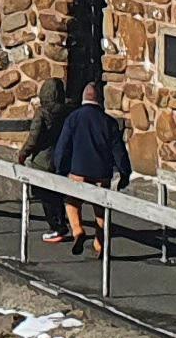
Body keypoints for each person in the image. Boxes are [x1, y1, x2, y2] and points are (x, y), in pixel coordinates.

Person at [50, 79, 133, 256]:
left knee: (71, 201)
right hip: (101, 173)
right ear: (99, 99)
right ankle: (99, 243)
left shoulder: (73, 118)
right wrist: (124, 172)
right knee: (100, 208)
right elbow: (118, 150)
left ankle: (77, 230)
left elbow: (63, 145)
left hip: (78, 170)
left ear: (83, 98)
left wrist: (60, 168)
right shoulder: (108, 122)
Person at [13, 74, 75, 244]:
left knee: (45, 194)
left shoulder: (42, 113)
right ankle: (61, 223)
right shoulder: (68, 111)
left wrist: (23, 153)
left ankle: (56, 227)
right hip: (62, 158)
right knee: (58, 193)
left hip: (43, 160)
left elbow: (34, 137)